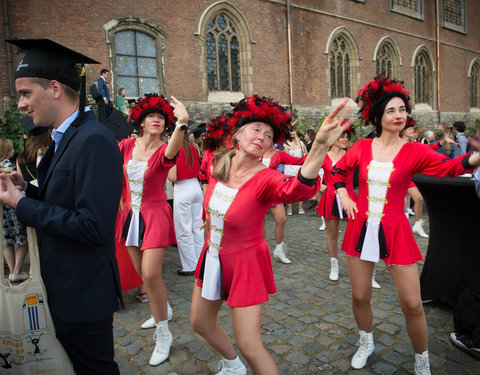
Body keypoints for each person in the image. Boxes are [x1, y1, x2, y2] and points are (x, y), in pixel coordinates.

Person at [189, 95, 352, 374]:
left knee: (250, 345)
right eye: (256, 129)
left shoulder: (266, 178)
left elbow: (298, 187)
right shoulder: (219, 164)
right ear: (238, 134)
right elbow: (214, 201)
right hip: (212, 255)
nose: (263, 137)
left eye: (269, 135)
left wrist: (320, 146)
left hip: (245, 263)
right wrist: (212, 218)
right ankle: (232, 365)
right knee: (199, 323)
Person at [332, 77, 480, 374]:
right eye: (391, 111)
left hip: (396, 231)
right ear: (377, 116)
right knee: (360, 296)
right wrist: (344, 195)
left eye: (402, 109)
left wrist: (477, 155)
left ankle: (421, 359)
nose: (399, 115)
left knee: (412, 304)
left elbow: (450, 167)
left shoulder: (413, 151)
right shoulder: (361, 147)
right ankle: (366, 341)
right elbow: (337, 170)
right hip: (360, 228)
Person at [1, 38, 124, 374]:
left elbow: (92, 226)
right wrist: (26, 190)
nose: (21, 104)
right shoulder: (64, 136)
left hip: (82, 295)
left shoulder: (94, 139)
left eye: (26, 93)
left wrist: (23, 205)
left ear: (54, 88)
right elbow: (64, 200)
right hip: (64, 289)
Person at [117, 93, 188, 366]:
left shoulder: (164, 149)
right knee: (142, 275)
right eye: (151, 116)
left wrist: (181, 124)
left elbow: (172, 152)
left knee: (150, 274)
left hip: (156, 214)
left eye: (161, 117)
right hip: (130, 215)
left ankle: (164, 333)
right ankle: (163, 308)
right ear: (141, 122)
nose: (157, 120)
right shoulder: (125, 145)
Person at [261, 142, 307, 264]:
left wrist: (318, 150)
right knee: (261, 224)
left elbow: (299, 160)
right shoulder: (256, 150)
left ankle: (279, 249)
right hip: (257, 191)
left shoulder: (278, 154)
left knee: (281, 219)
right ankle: (260, 253)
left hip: (272, 190)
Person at [168, 130, 204, 276]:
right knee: (197, 227)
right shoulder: (194, 146)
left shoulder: (173, 148)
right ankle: (201, 261)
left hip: (182, 187)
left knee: (184, 229)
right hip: (196, 186)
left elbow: (172, 176)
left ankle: (189, 265)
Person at [0, 138, 29, 283]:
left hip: (2, 211)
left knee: (7, 241)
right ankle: (17, 270)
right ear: (8, 150)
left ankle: (11, 271)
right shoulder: (7, 166)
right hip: (12, 207)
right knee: (22, 238)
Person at [400, 118, 429, 238]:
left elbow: (428, 150)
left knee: (418, 198)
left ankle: (417, 224)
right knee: (400, 200)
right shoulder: (397, 142)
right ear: (403, 131)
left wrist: (441, 143)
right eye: (410, 129)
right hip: (397, 175)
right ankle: (403, 224)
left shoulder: (414, 143)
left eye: (413, 129)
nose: (413, 131)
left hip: (409, 176)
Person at [284, 129, 308, 215]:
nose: (292, 133)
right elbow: (286, 157)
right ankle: (289, 208)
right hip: (290, 168)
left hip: (299, 167)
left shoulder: (301, 143)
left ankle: (300, 207)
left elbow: (306, 154)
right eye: (290, 132)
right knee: (290, 188)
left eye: (293, 131)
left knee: (300, 188)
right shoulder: (287, 144)